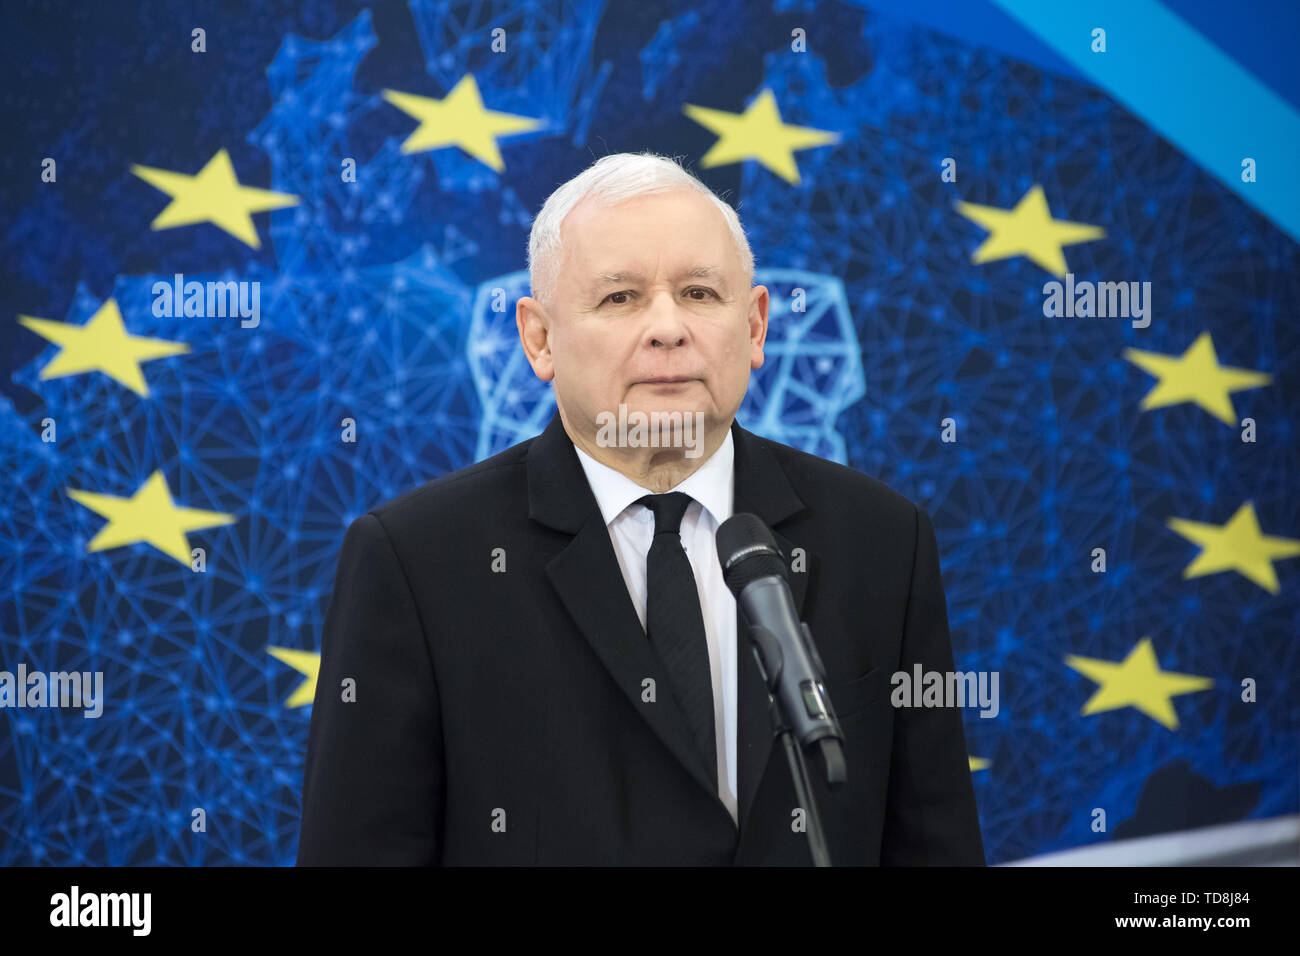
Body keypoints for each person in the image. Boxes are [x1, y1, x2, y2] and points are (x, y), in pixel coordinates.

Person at [296, 152, 985, 865]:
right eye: (621, 297)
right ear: (538, 339)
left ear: (753, 328)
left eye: (699, 293)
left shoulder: (878, 540)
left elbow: (935, 846)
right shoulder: (418, 562)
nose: (667, 328)